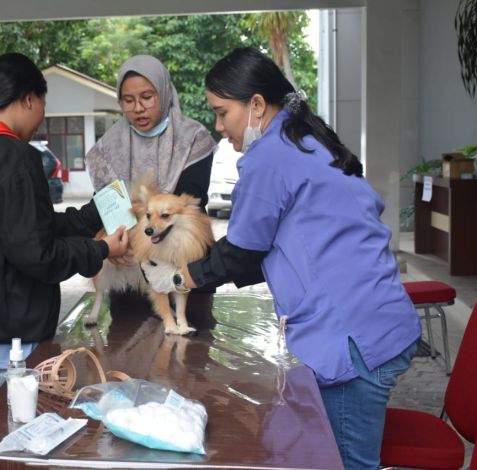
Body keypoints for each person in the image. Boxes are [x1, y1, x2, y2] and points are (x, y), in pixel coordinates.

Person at [141, 47, 421, 469]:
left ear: (256, 105)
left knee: (344, 461)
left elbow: (241, 252)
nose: (220, 128)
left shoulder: (269, 157)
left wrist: (177, 279)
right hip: (376, 320)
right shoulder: (302, 137)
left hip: (353, 337)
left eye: (222, 113)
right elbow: (263, 250)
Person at [0, 52, 129, 419]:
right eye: (42, 105)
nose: (40, 117)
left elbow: (24, 226)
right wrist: (101, 249)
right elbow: (36, 253)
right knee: (4, 443)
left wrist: (95, 212)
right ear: (28, 99)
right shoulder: (12, 155)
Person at [86, 55, 216, 207]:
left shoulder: (192, 137)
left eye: (147, 97)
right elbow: (103, 208)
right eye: (128, 101)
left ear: (164, 94)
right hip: (123, 231)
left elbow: (191, 202)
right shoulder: (108, 146)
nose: (138, 108)